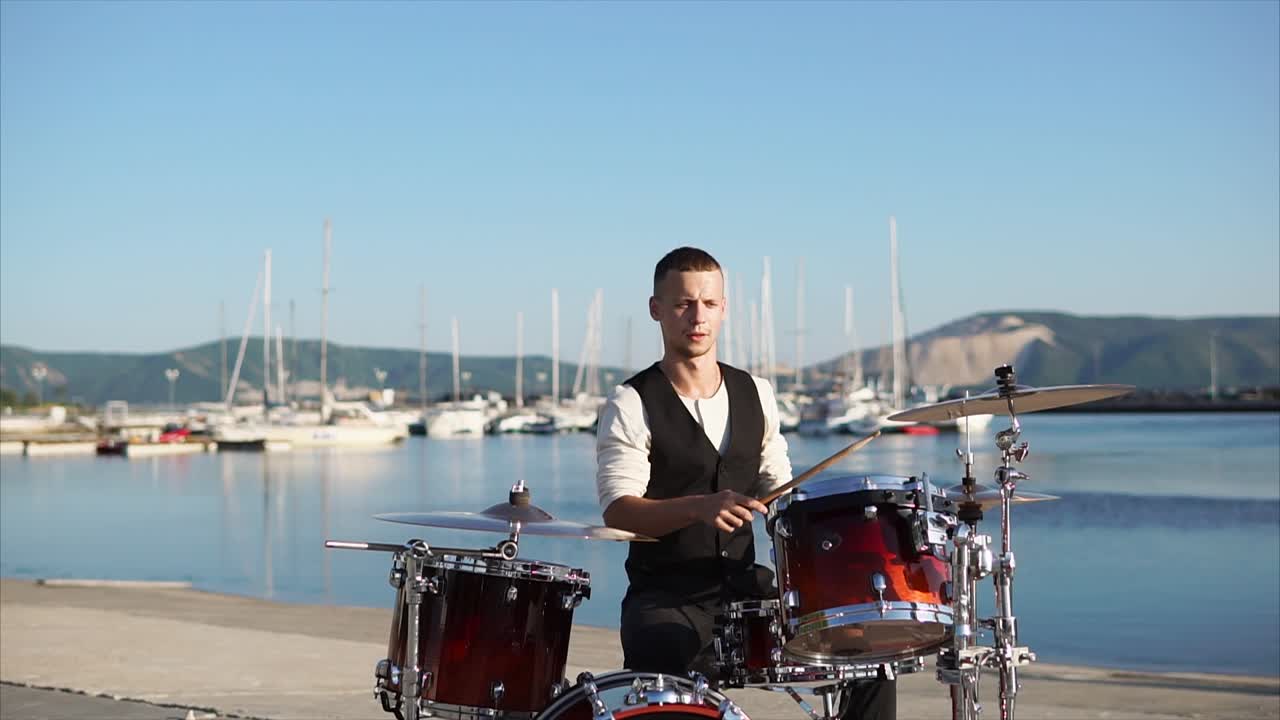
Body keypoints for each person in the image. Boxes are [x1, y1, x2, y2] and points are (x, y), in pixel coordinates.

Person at [594, 246, 895, 719]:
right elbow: (618, 510)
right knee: (662, 661)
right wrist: (698, 507)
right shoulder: (630, 402)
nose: (698, 316)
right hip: (666, 597)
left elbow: (781, 489)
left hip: (745, 588)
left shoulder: (757, 392)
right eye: (682, 304)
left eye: (709, 304)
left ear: (724, 308)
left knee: (869, 654)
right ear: (656, 309)